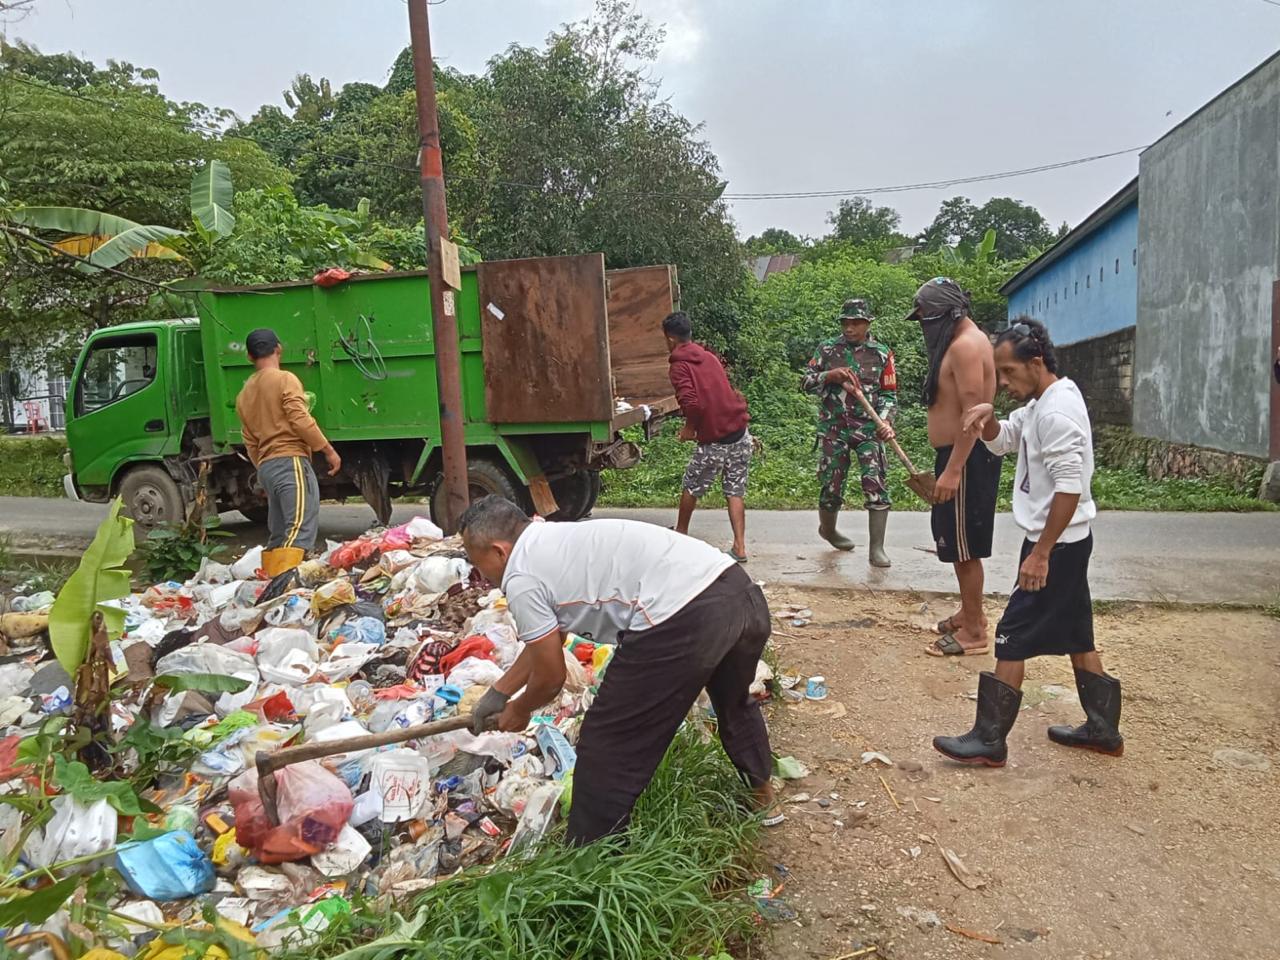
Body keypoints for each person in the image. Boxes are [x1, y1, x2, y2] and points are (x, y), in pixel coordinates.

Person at [459, 496, 775, 845]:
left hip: (684, 618)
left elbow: (551, 678)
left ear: (499, 551)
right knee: (733, 702)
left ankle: (593, 856)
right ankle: (762, 796)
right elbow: (551, 636)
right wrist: (500, 692)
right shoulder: (551, 539)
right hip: (739, 594)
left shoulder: (521, 576)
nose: (482, 576)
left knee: (607, 742)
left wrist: (518, 710)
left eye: (478, 563)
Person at [933, 318, 1122, 766]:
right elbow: (1007, 441)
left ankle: (989, 739)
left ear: (1036, 363)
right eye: (999, 374)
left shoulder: (1056, 412)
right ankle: (1103, 729)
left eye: (1010, 373)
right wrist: (989, 422)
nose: (1003, 382)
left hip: (1055, 545)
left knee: (1012, 634)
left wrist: (1040, 554)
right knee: (1078, 634)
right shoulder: (1044, 401)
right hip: (1061, 542)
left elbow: (1069, 488)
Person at [907, 279, 1001, 656]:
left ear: (947, 314)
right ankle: (970, 611)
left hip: (967, 458)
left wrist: (954, 470)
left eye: (925, 319)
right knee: (955, 542)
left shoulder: (965, 347)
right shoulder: (965, 341)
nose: (922, 327)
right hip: (958, 456)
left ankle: (975, 631)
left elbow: (973, 415)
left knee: (963, 548)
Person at [235, 328, 341, 575]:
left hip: (267, 465)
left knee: (280, 532)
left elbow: (249, 440)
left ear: (250, 357)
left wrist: (263, 466)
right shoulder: (285, 379)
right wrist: (328, 449)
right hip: (290, 460)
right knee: (299, 530)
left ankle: (273, 584)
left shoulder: (244, 394)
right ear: (278, 349)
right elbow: (299, 419)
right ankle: (288, 591)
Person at [800, 298, 897, 567]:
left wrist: (886, 422)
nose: (849, 328)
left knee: (875, 484)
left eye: (855, 323)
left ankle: (876, 549)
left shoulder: (882, 353)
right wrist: (827, 376)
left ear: (867, 324)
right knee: (831, 485)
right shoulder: (827, 350)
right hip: (834, 428)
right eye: (845, 323)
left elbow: (889, 395)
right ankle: (828, 530)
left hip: (869, 429)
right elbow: (805, 381)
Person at [663, 311, 753, 562]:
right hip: (740, 434)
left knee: (691, 485)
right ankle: (740, 547)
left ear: (670, 339)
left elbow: (693, 404)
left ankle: (680, 533)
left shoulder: (679, 367)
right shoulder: (710, 358)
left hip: (715, 441)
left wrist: (689, 429)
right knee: (735, 491)